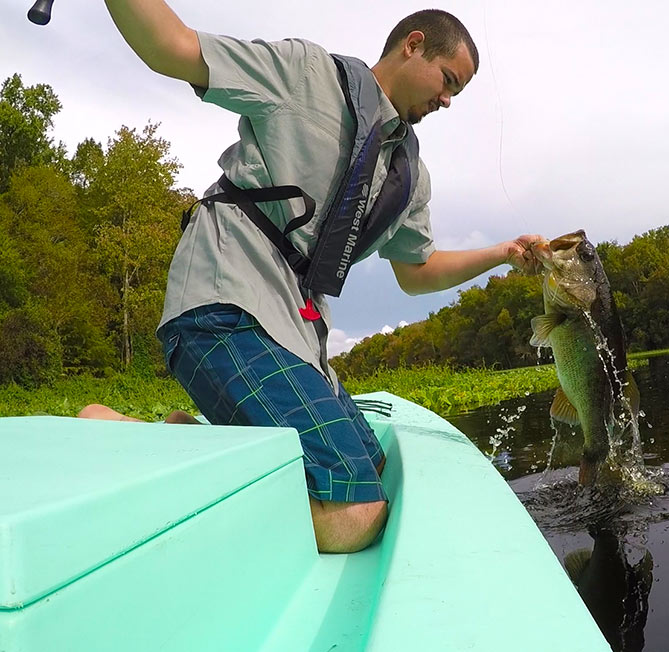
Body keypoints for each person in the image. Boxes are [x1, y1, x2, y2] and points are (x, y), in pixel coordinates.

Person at [94, 1, 543, 553]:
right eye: (448, 80)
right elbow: (173, 46)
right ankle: (172, 474)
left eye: (458, 93)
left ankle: (171, 443)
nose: (448, 100)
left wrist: (501, 253)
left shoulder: (411, 177)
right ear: (413, 44)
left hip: (296, 334)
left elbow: (417, 274)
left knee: (373, 465)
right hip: (221, 307)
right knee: (353, 508)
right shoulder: (305, 75)